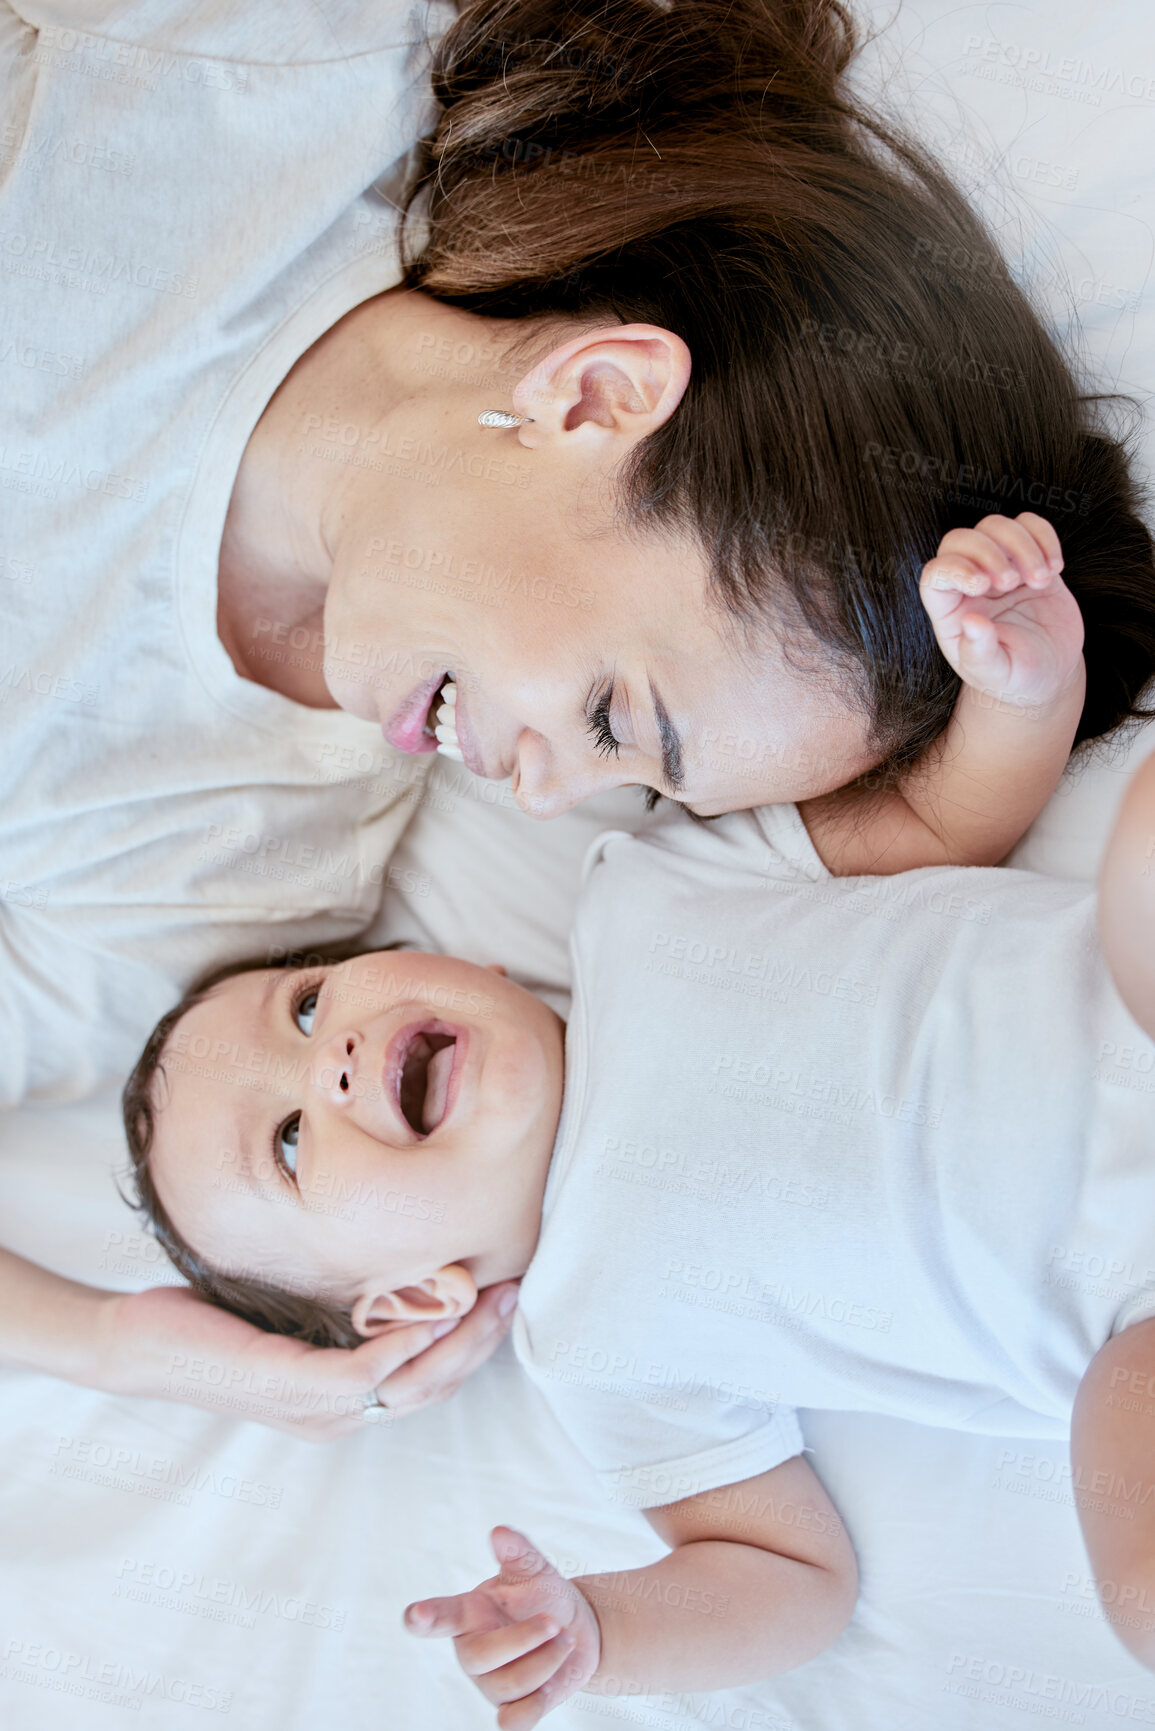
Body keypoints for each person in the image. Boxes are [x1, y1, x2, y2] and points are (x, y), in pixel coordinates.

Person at [3, 0, 1154, 1427]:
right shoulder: (277, 78)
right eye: (617, 711)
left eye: (640, 785)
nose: (544, 796)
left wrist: (126, 1345)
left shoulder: (209, 872)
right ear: (597, 393)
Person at [120, 517, 1155, 1701]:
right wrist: (600, 1633)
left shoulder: (650, 894)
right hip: (1126, 1308)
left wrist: (1022, 692)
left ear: (468, 971)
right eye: (291, 1142)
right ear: (416, 1298)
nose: (332, 1063)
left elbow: (938, 827)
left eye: (306, 1011)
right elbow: (785, 1572)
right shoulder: (593, 1347)